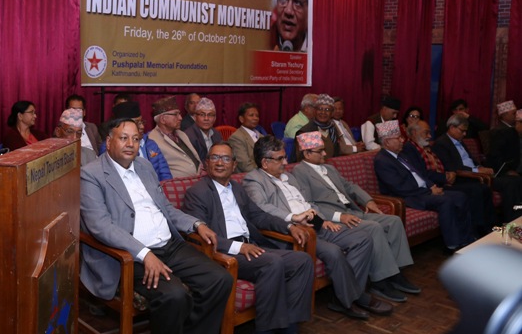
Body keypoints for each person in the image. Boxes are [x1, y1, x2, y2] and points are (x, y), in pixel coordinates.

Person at [79, 118, 233, 334]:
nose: (130, 144)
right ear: (109, 141)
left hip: (170, 246)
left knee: (220, 279)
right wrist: (144, 254)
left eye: (135, 139)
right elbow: (100, 226)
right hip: (130, 255)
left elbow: (166, 208)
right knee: (175, 295)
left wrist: (196, 223)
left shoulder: (144, 166)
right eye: (124, 138)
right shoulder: (91, 174)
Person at [243, 136, 391, 320]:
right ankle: (354, 299)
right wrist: (293, 218)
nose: (286, 162)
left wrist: (321, 219)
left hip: (316, 224)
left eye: (285, 157)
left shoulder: (289, 176)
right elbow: (262, 208)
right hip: (294, 232)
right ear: (265, 162)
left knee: (362, 239)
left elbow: (309, 202)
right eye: (280, 159)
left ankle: (345, 297)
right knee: (334, 252)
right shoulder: (254, 180)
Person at [183, 143, 314, 334]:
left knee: (302, 260)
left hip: (251, 246)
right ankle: (267, 331)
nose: (220, 163)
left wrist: (289, 226)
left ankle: (289, 327)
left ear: (234, 164)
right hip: (225, 253)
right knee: (272, 262)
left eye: (226, 158)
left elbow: (258, 216)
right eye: (215, 158)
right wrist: (239, 247)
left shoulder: (236, 188)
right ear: (207, 162)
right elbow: (200, 235)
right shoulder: (198, 192)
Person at [291, 131, 419, 303]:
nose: (325, 153)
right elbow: (308, 204)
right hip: (335, 218)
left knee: (394, 221)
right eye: (320, 151)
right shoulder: (299, 172)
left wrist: (368, 200)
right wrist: (339, 216)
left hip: (353, 211)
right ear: (306, 153)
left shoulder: (329, 168)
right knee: (374, 228)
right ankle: (380, 281)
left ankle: (396, 274)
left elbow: (350, 186)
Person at [372, 120, 474, 251]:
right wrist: (429, 192)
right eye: (398, 138)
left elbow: (419, 174)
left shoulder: (401, 155)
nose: (402, 140)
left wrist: (431, 186)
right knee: (445, 201)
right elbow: (399, 187)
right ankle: (453, 244)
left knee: (460, 196)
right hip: (408, 197)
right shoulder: (382, 160)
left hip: (423, 191)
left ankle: (466, 239)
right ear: (387, 142)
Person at [406, 120, 495, 234]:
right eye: (426, 133)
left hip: (444, 180)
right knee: (474, 190)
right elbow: (421, 173)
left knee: (483, 188)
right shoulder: (410, 149)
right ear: (414, 132)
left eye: (429, 133)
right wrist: (445, 177)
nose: (429, 136)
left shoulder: (426, 147)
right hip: (433, 185)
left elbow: (442, 165)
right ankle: (477, 231)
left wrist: (448, 174)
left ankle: (489, 227)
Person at [433, 114, 522, 222]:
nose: (465, 134)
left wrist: (481, 167)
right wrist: (476, 170)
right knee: (508, 184)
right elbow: (452, 166)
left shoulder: (460, 141)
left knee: (516, 180)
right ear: (452, 127)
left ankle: (518, 217)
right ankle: (511, 220)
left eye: (466, 131)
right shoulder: (441, 143)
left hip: (478, 174)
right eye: (462, 131)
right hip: (467, 177)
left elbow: (471, 160)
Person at [108, 101, 173, 181]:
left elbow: (165, 173)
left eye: (141, 121)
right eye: (137, 123)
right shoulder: (111, 147)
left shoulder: (150, 144)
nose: (142, 126)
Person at [148, 96, 201, 178]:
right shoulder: (152, 139)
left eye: (179, 114)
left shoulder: (182, 134)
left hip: (199, 178)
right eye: (175, 114)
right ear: (162, 119)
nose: (180, 118)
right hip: (177, 182)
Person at [295, 94, 340, 160]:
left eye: (327, 109)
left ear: (332, 113)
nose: (323, 112)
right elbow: (305, 159)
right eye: (320, 109)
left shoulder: (333, 129)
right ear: (314, 111)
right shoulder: (306, 132)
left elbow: (336, 153)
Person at [227, 102, 268, 173]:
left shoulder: (261, 136)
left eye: (257, 116)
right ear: (241, 119)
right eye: (251, 115)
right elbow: (245, 166)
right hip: (247, 176)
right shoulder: (236, 138)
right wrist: (264, 174)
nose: (255, 118)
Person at [487, 102, 522, 177]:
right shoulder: (499, 132)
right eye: (514, 113)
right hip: (507, 170)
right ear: (504, 115)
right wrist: (506, 171)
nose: (516, 115)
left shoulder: (516, 130)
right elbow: (495, 155)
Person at [183, 97, 222, 163]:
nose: (206, 118)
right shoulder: (188, 136)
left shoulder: (217, 134)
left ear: (215, 118)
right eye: (202, 115)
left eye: (210, 115)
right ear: (195, 117)